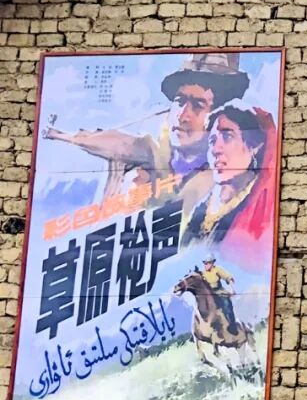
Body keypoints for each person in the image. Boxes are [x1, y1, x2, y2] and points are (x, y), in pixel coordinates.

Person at [44, 52, 250, 213]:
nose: (182, 116)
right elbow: (120, 144)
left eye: (198, 105)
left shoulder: (227, 173)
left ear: (217, 115)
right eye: (180, 102)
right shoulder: (152, 151)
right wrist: (65, 137)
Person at [181, 101, 278, 265]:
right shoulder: (200, 211)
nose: (216, 149)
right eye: (212, 141)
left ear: (254, 146)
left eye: (227, 136)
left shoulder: (261, 209)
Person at [200, 254, 239, 333]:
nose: (205, 265)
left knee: (227, 305)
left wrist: (232, 289)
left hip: (219, 292)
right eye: (204, 263)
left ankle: (232, 325)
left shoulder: (217, 269)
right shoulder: (202, 273)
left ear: (212, 263)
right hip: (209, 294)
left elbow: (228, 278)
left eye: (207, 263)